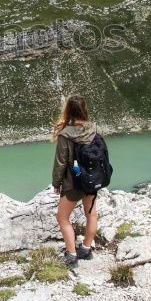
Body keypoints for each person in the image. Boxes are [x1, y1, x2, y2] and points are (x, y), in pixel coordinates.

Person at [51, 93, 105, 269]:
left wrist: (56, 184)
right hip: (92, 180)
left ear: (68, 111)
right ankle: (86, 248)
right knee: (91, 214)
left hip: (73, 183)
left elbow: (60, 162)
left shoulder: (65, 135)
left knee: (62, 217)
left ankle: (71, 254)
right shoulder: (96, 129)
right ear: (84, 109)